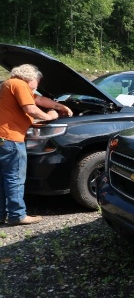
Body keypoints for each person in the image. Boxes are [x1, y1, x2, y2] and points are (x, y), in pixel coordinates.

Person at [0, 64, 73, 225]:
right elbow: (31, 108)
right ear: (30, 77)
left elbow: (39, 99)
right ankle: (17, 215)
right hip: (10, 139)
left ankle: (2, 215)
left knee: (3, 179)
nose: (38, 85)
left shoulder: (9, 84)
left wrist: (58, 106)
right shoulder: (19, 84)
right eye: (38, 81)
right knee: (14, 178)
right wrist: (49, 117)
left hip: (2, 139)